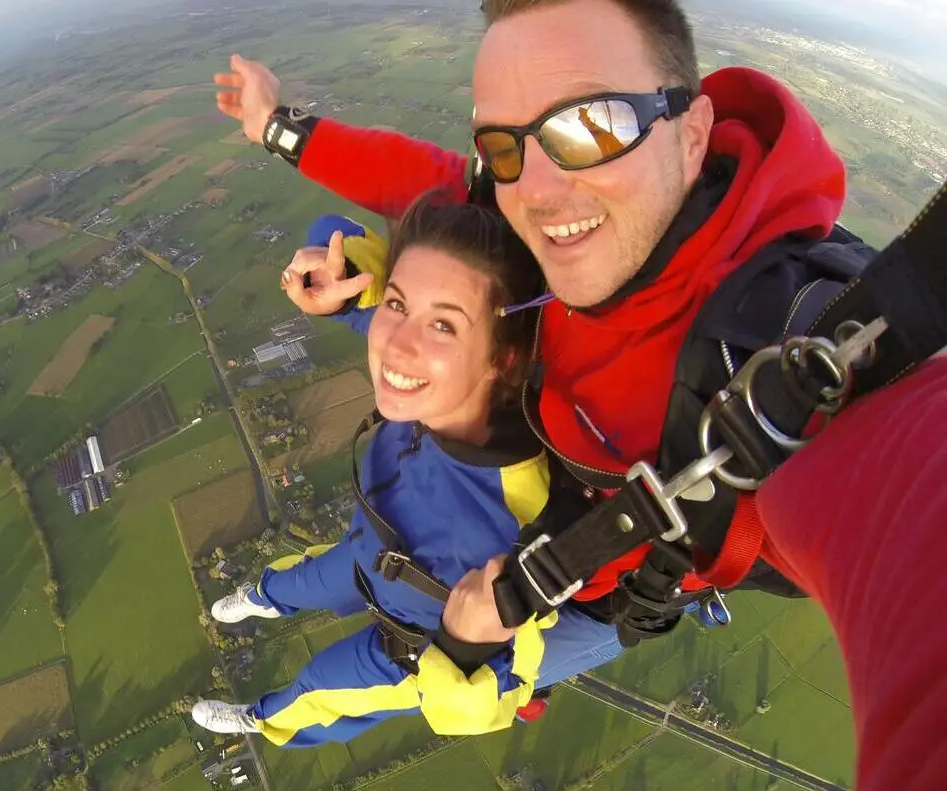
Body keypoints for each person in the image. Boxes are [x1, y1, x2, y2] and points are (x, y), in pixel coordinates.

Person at [215, 0, 837, 649]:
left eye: (592, 125)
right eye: (504, 142)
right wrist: (275, 127)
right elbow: (431, 182)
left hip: (580, 596)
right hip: (518, 452)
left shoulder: (785, 346)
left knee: (419, 683)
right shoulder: (560, 210)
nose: (536, 190)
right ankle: (265, 598)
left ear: (692, 130)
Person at [190, 197, 623, 747]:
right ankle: (261, 597)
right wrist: (345, 275)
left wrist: (466, 647)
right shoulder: (450, 378)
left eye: (442, 324)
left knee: (318, 693)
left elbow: (489, 699)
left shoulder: (525, 516)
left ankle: (259, 716)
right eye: (397, 305)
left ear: (502, 360)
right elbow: (337, 236)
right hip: (364, 552)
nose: (396, 342)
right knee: (293, 581)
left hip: (412, 647)